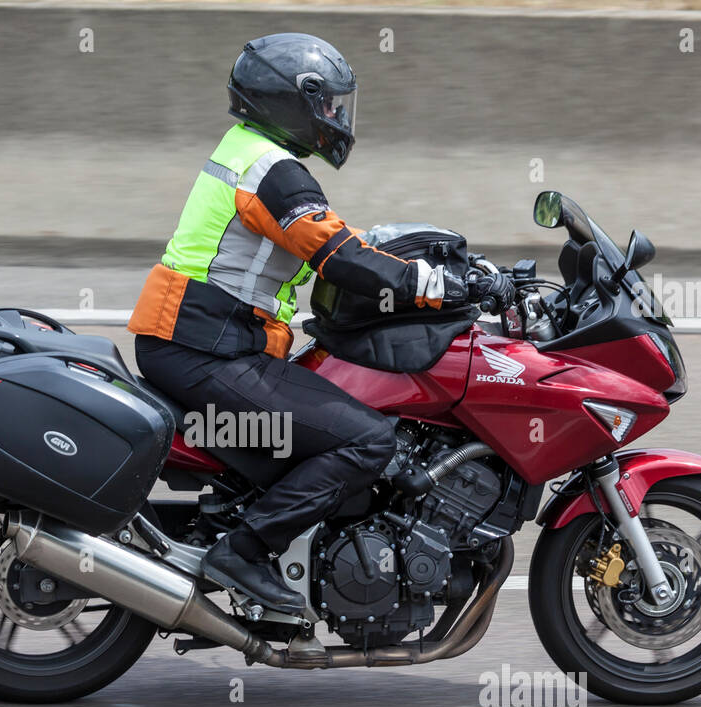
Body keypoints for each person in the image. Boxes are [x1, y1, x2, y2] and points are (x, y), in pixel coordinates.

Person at [129, 33, 513, 655]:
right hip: (206, 352)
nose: (336, 119)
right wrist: (439, 284)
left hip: (202, 344)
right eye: (329, 106)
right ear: (290, 102)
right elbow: (339, 256)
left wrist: (423, 262)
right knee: (368, 437)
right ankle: (244, 552)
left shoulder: (256, 157)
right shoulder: (271, 171)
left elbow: (339, 242)